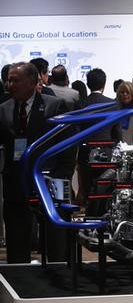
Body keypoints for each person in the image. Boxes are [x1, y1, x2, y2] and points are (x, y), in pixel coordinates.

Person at [0, 62, 75, 263]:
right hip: (16, 184)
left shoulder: (55, 106)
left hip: (50, 182)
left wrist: (63, 175)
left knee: (56, 240)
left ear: (32, 81)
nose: (9, 84)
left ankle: (58, 278)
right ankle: (18, 280)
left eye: (15, 80)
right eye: (8, 79)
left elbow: (68, 144)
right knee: (17, 238)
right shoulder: (4, 109)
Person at [75, 68, 120, 206]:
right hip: (107, 151)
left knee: (88, 188)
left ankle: (89, 221)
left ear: (88, 84)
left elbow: (76, 131)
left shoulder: (80, 104)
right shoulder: (113, 105)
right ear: (104, 84)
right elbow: (117, 132)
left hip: (85, 151)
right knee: (105, 189)